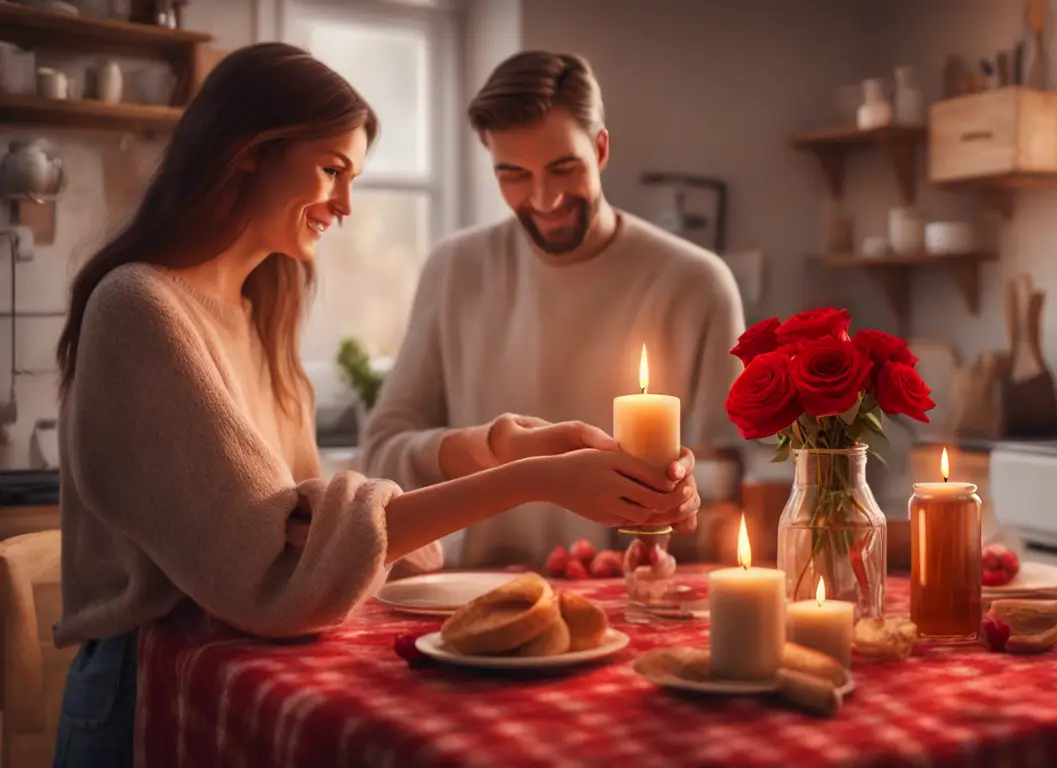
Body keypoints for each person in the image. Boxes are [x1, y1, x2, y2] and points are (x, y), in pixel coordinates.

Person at [50, 43, 697, 767]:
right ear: (246, 152)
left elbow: (311, 523)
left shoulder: (253, 306)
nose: (346, 206)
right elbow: (272, 574)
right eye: (332, 170)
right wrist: (529, 481)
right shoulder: (140, 309)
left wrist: (502, 445)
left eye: (351, 178)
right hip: (148, 691)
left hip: (240, 679)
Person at [361, 51, 746, 567]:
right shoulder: (454, 268)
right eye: (513, 174)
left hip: (626, 591)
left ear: (601, 148)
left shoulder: (697, 283)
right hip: (473, 595)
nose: (543, 199)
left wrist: (683, 496)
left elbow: (729, 484)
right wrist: (497, 449)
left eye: (563, 169)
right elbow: (382, 455)